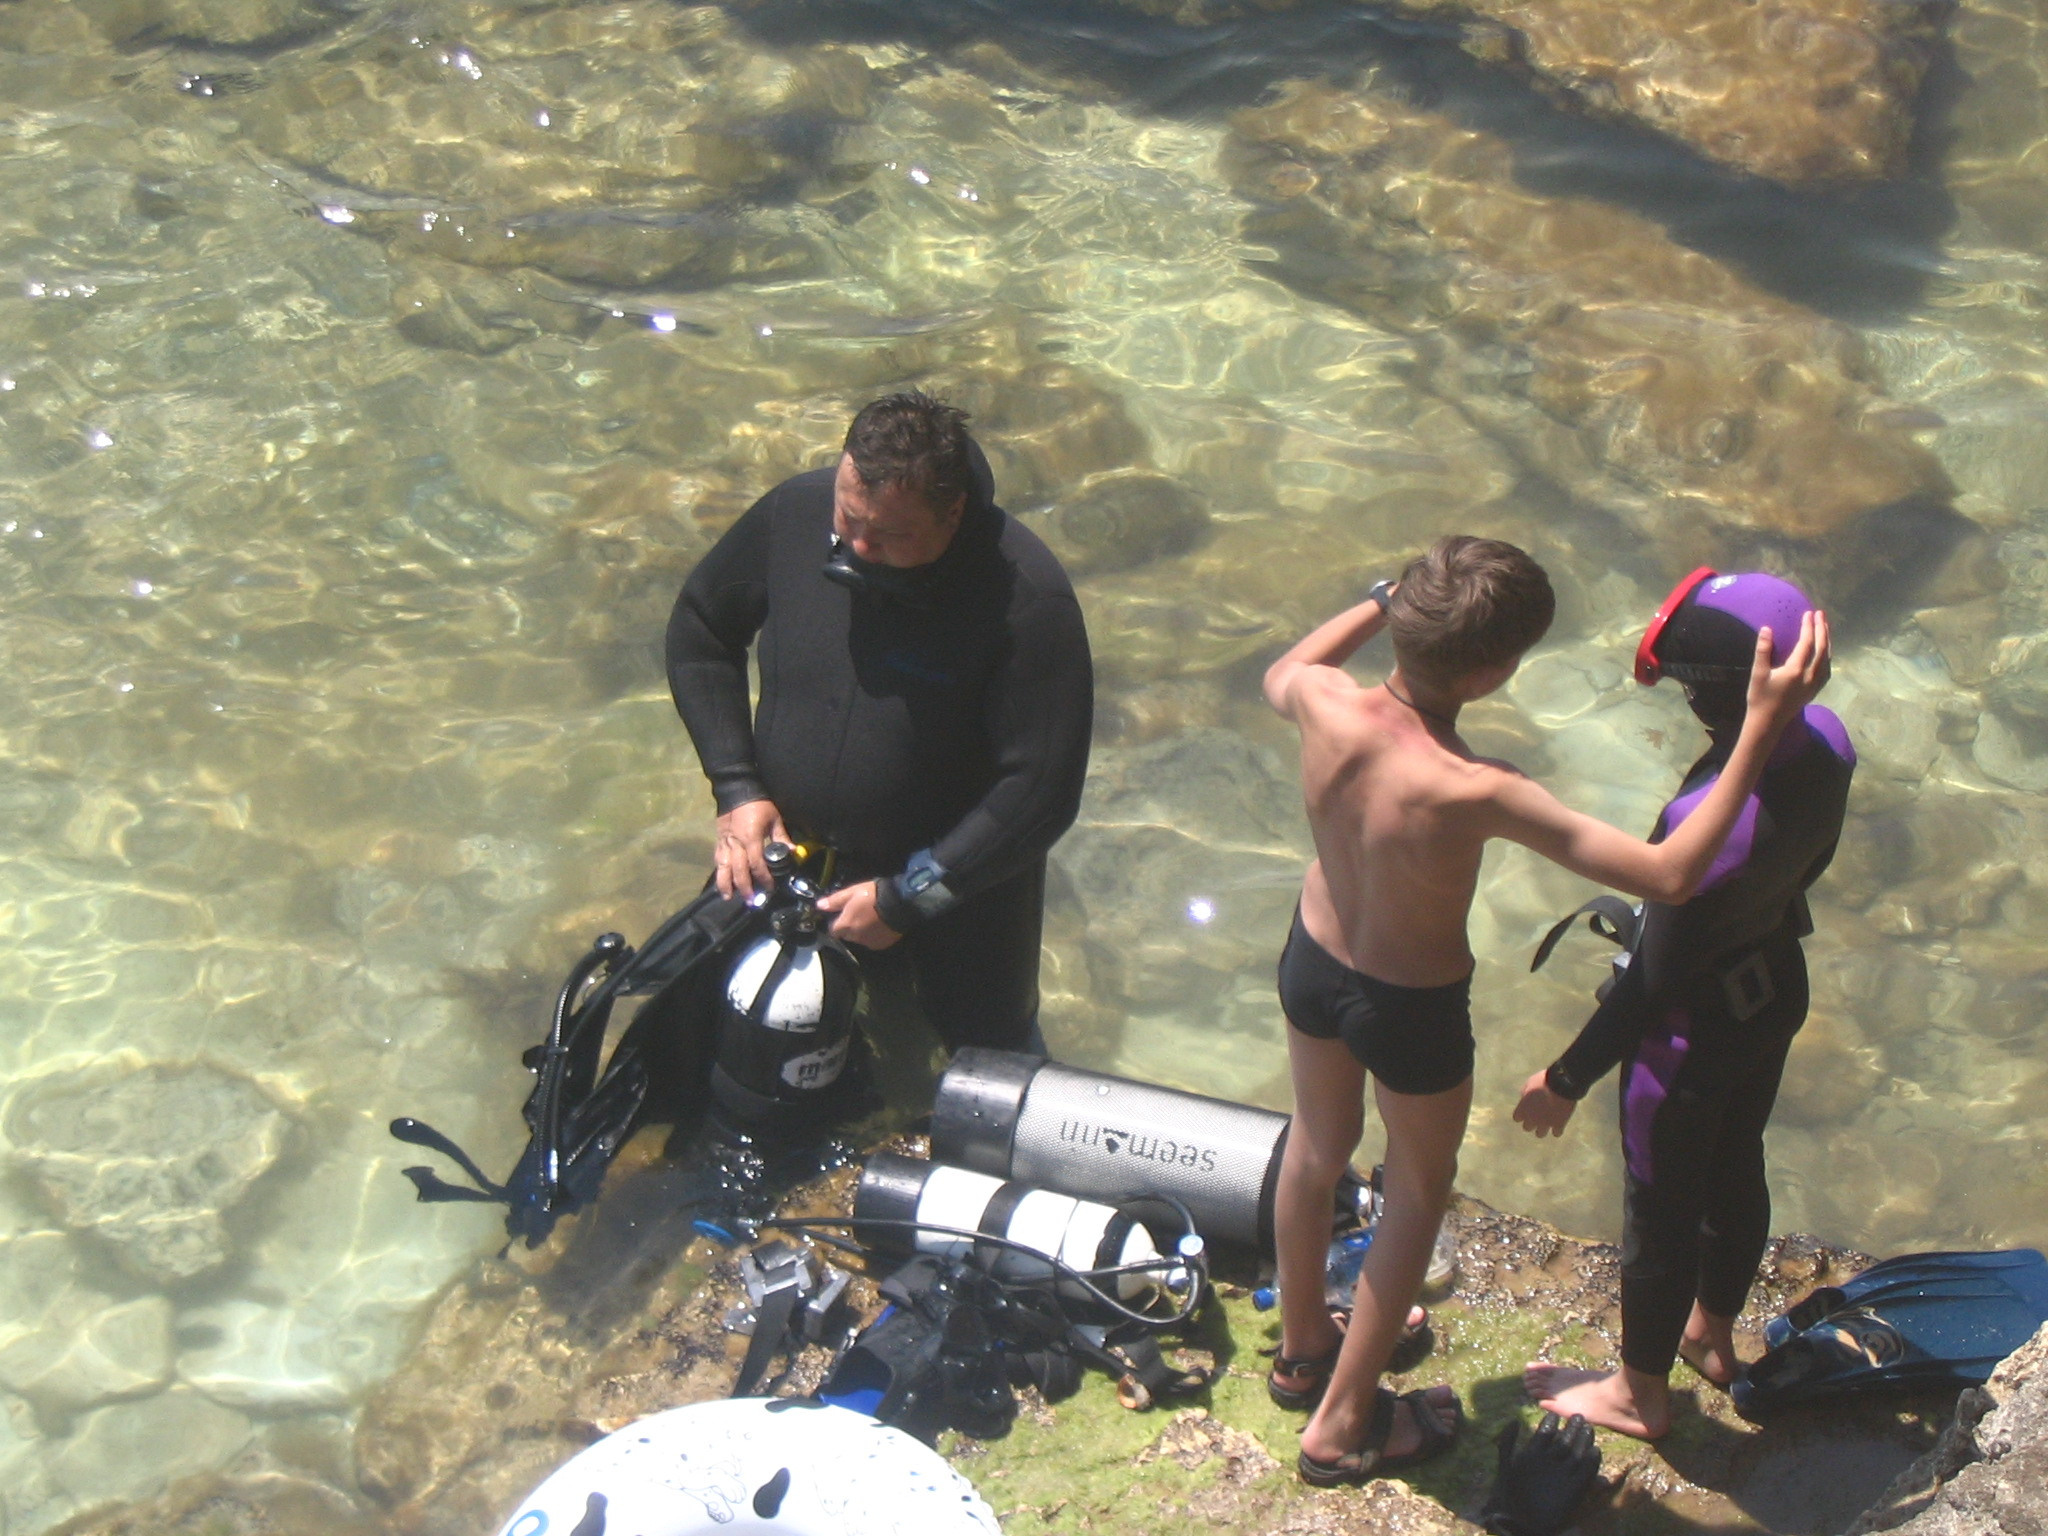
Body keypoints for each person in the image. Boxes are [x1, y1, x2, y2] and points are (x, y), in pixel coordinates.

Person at [1260, 537, 1830, 1486]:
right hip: (1409, 1006)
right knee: (1416, 1183)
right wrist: (1763, 728)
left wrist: (1378, 596)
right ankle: (1344, 1422)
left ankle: (1303, 1342)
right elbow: (1672, 875)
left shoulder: (1321, 700)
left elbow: (1288, 665)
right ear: (1494, 675)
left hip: (1313, 959)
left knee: (1316, 1147)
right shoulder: (1478, 787)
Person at [1515, 570, 1854, 1441]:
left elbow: (1653, 981)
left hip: (1688, 1034)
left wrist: (1565, 1075)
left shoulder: (1707, 819)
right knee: (1738, 1164)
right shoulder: (1828, 744)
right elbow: (1800, 870)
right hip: (1772, 991)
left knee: (1657, 1210)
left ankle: (1638, 1395)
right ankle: (1710, 1334)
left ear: (1714, 696)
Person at [665, 391, 1092, 1053]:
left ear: (951, 514)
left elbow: (1040, 793)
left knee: (974, 1069)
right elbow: (700, 631)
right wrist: (737, 790)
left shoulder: (1025, 599)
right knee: (702, 1044)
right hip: (789, 861)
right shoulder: (794, 514)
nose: (857, 548)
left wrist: (907, 898)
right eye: (848, 517)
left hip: (954, 896)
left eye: (889, 535)